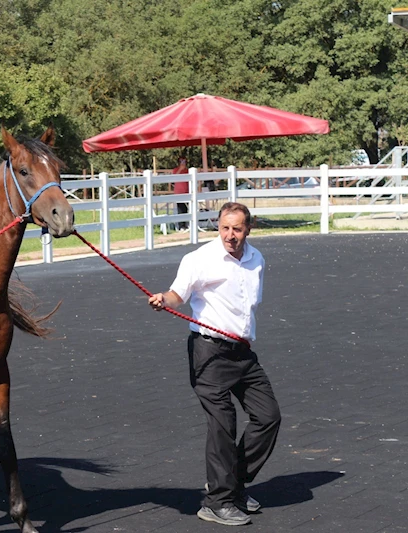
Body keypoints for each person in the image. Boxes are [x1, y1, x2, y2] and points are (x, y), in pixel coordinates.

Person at [148, 202, 281, 527]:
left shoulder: (256, 259)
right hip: (209, 353)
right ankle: (217, 502)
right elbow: (178, 294)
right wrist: (164, 299)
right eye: (224, 228)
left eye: (237, 229)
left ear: (248, 229)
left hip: (243, 353)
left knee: (268, 417)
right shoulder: (200, 259)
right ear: (218, 227)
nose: (230, 235)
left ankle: (232, 485)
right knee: (224, 424)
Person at [172, 156, 190, 231]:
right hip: (179, 192)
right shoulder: (175, 170)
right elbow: (174, 179)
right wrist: (180, 169)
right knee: (180, 209)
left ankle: (186, 224)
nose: (183, 163)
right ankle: (181, 226)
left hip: (187, 192)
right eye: (181, 162)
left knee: (186, 209)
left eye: (184, 162)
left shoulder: (188, 171)